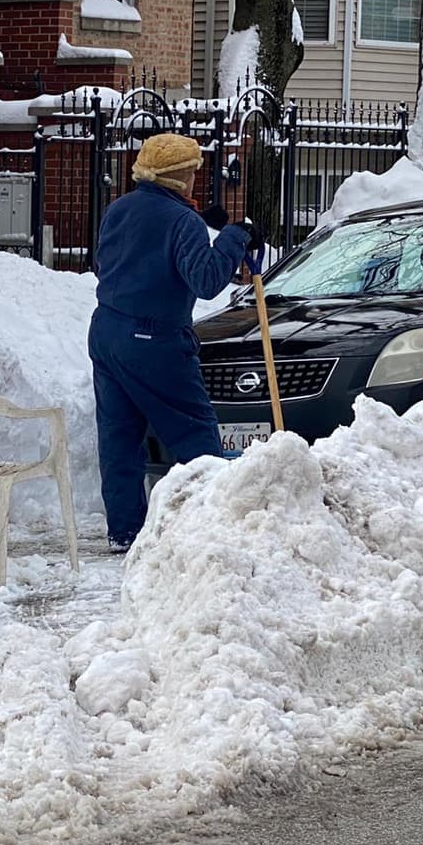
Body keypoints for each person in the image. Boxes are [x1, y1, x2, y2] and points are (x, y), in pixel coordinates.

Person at [88, 133, 264, 553]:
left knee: (119, 439)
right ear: (181, 175)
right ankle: (211, 523)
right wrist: (234, 237)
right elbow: (205, 281)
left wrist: (205, 222)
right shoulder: (180, 221)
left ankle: (125, 533)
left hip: (106, 332)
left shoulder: (119, 209)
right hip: (156, 340)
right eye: (194, 171)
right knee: (194, 434)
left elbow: (108, 261)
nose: (196, 178)